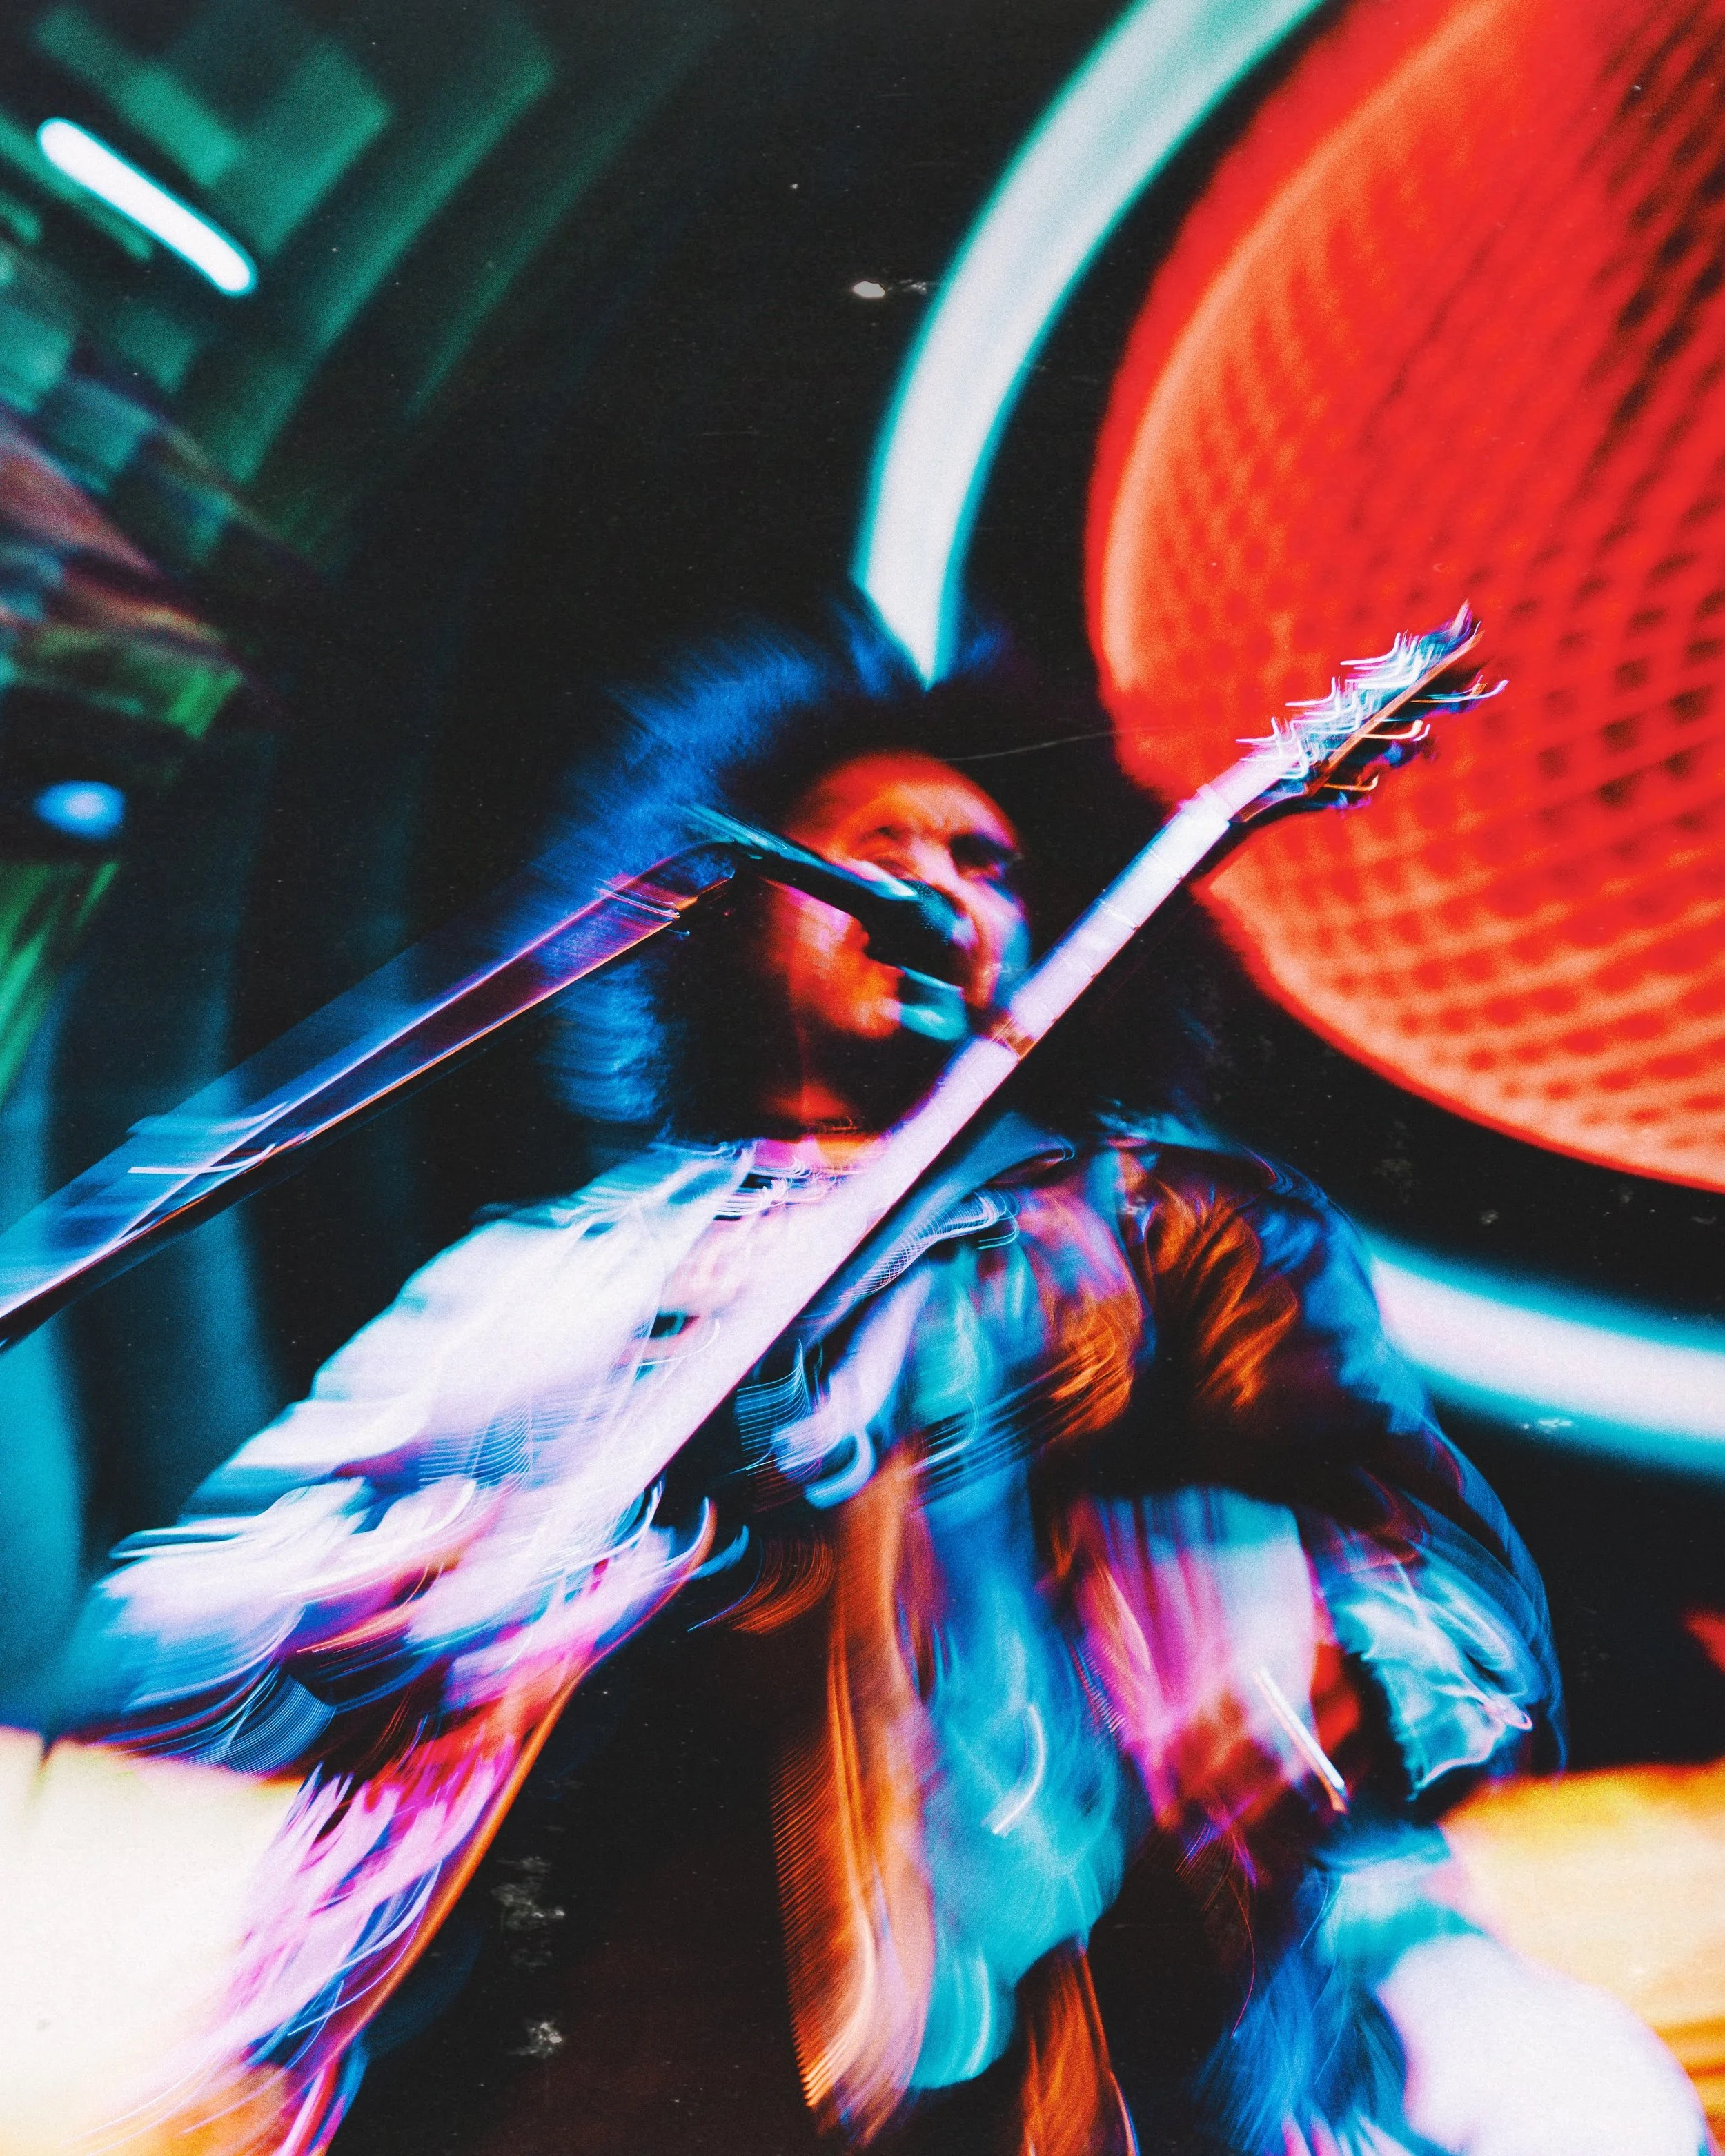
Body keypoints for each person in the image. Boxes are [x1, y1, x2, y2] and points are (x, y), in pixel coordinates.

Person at [3, 614, 1705, 2155]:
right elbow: (163, 1628)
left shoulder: (1166, 1224)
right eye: (873, 848)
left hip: (1011, 2025)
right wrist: (392, 1588)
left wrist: (1272, 1630)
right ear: (741, 910)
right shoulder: (542, 1275)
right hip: (516, 2034)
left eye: (982, 857)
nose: (933, 880)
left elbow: (1443, 1593)